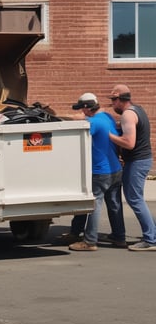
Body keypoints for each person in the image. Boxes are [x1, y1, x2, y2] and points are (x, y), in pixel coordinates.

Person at [67, 93, 126, 251]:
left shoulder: (92, 123)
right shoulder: (107, 117)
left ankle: (90, 241)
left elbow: (78, 130)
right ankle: (119, 237)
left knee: (93, 205)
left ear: (87, 107)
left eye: (82, 109)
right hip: (115, 169)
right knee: (114, 205)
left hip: (100, 171)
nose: (82, 112)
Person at [108, 84, 156, 251]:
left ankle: (151, 240)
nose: (112, 104)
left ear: (121, 99)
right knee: (137, 199)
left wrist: (109, 135)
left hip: (137, 161)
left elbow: (129, 143)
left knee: (135, 199)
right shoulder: (138, 109)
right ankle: (152, 234)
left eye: (113, 100)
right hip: (141, 160)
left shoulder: (128, 115)